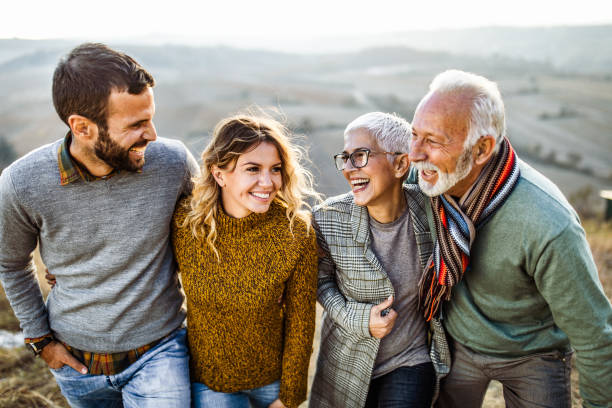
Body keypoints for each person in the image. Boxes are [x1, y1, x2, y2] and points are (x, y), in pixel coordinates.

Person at [0, 43, 199, 407]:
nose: (152, 134)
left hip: (161, 352)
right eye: (136, 124)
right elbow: (10, 263)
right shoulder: (22, 183)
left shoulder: (174, 164)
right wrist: (40, 341)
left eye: (150, 118)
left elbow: (211, 238)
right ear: (82, 127)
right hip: (77, 366)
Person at [409, 69, 612, 408]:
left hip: (534, 352)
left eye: (433, 141)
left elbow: (594, 334)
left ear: (482, 148)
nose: (415, 154)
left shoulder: (547, 222)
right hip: (459, 342)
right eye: (414, 135)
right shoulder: (428, 183)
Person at [171, 114, 319, 408]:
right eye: (253, 169)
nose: (268, 182)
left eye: (275, 169)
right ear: (219, 174)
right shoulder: (187, 225)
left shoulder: (295, 232)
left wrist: (289, 397)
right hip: (211, 384)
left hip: (273, 384)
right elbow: (144, 265)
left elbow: (301, 323)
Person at [309, 112, 439, 408]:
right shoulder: (328, 218)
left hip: (410, 359)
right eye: (345, 157)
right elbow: (319, 279)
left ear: (401, 164)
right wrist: (353, 315)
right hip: (346, 361)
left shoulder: (431, 209)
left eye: (361, 155)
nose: (348, 168)